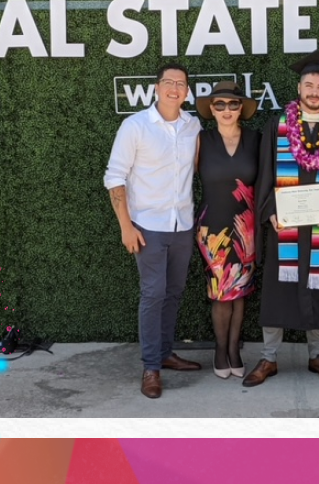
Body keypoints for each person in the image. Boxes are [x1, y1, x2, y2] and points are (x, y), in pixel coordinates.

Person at [243, 50, 319, 387]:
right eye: (309, 84)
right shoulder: (276, 127)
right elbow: (263, 176)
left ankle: (316, 354)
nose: (314, 90)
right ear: (298, 86)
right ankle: (268, 358)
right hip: (286, 227)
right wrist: (270, 213)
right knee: (279, 290)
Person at [104, 63, 203, 399]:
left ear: (188, 91)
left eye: (181, 84)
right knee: (153, 294)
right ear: (157, 88)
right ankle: (151, 368)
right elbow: (115, 177)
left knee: (173, 293)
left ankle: (164, 354)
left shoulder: (193, 126)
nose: (174, 88)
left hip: (183, 225)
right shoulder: (135, 126)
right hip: (147, 227)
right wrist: (125, 227)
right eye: (168, 82)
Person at [194, 81, 261, 379]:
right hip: (213, 230)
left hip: (246, 229)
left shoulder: (256, 140)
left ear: (241, 109)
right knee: (222, 293)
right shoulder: (200, 140)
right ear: (211, 109)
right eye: (219, 104)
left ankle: (235, 349)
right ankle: (220, 350)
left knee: (240, 292)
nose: (226, 110)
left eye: (233, 104)